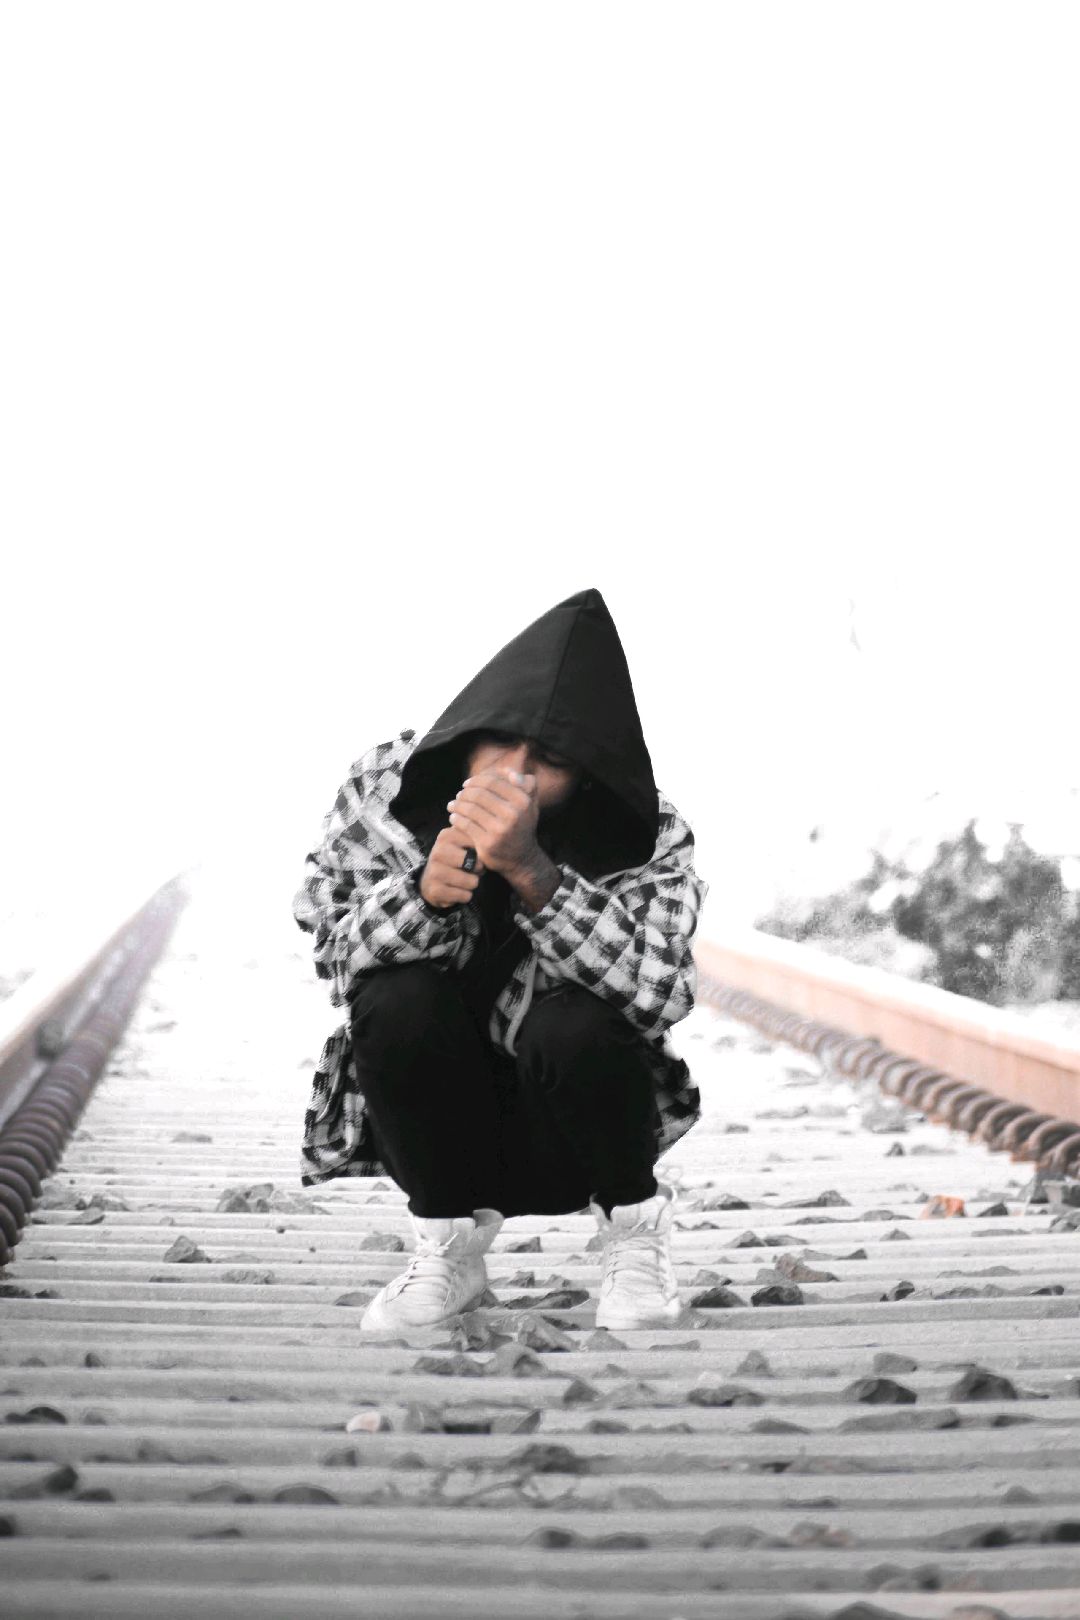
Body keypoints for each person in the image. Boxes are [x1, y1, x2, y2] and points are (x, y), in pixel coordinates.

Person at [292, 586, 708, 1333]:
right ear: (472, 728)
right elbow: (334, 958)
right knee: (393, 996)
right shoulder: (384, 787)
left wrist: (533, 874)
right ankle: (448, 1252)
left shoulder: (648, 832)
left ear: (587, 771)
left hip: (575, 1135)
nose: (513, 774)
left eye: (550, 761)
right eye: (501, 742)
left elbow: (662, 994)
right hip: (432, 1125)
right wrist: (422, 897)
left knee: (574, 1022)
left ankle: (635, 1239)